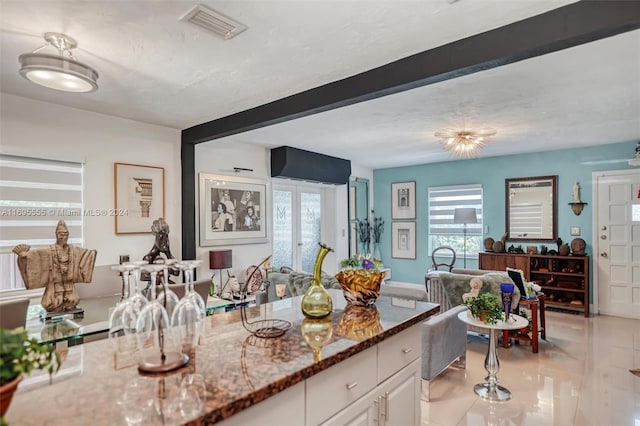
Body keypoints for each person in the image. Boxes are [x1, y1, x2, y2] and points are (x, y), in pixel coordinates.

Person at [13, 220, 97, 313]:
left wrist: (92, 253)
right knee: (51, 303)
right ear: (56, 234)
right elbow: (36, 255)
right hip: (54, 284)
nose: (64, 237)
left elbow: (85, 254)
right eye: (61, 234)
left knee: (73, 300)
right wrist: (24, 256)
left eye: (66, 234)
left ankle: (69, 305)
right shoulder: (49, 250)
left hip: (68, 283)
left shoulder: (73, 249)